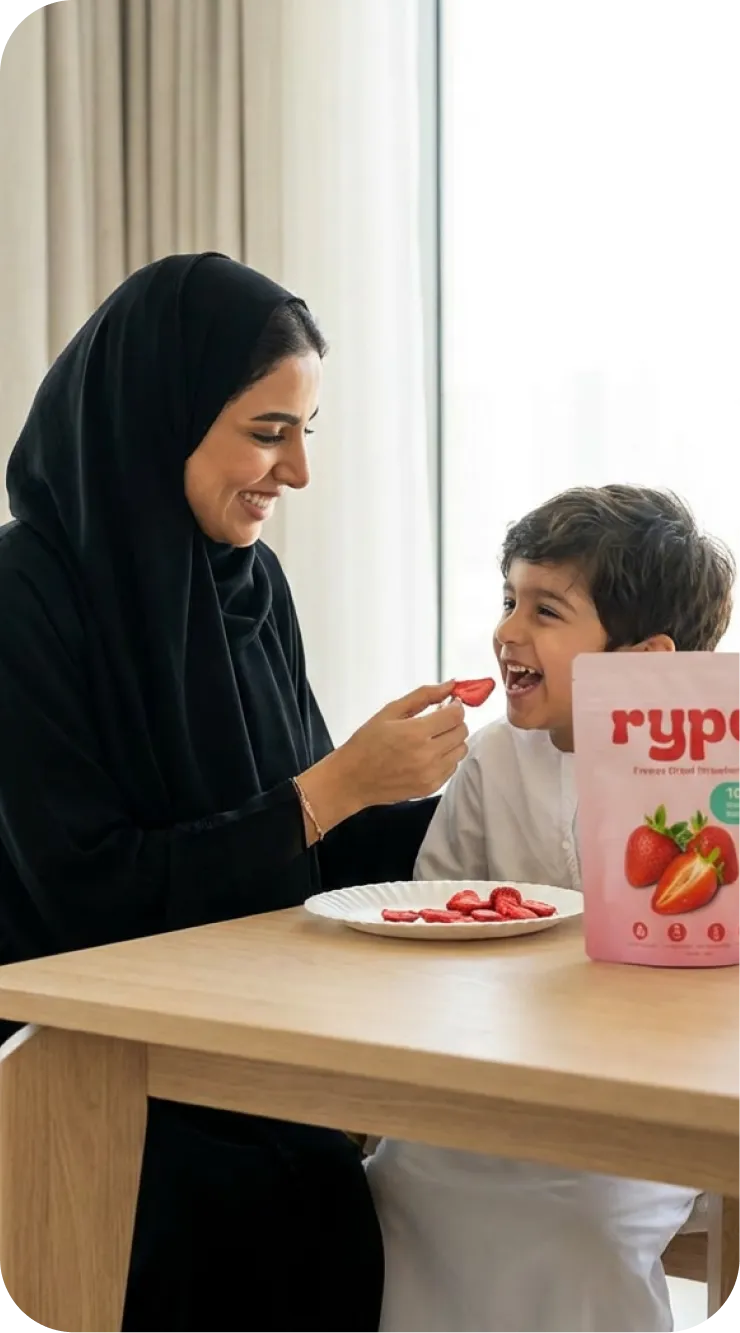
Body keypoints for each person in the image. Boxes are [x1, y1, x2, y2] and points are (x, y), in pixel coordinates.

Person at [0, 253, 469, 1332]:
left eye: (308, 431)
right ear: (159, 420)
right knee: (251, 1220)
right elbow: (87, 894)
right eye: (268, 432)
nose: (297, 471)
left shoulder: (248, 584)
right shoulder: (23, 600)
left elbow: (306, 856)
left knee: (367, 1196)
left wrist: (483, 789)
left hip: (239, 1049)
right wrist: (329, 790)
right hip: (78, 1064)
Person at [365, 484, 736, 1333]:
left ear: (643, 661)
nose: (507, 630)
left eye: (545, 609)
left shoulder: (718, 768)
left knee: (580, 1225)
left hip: (656, 1103)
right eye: (509, 598)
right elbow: (437, 906)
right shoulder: (496, 759)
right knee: (401, 1182)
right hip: (504, 1085)